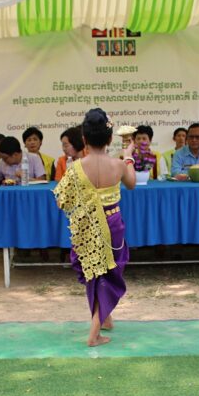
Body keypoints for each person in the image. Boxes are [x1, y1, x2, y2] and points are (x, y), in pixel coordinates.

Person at [54, 108, 136, 346]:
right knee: (108, 274)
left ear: (85, 139)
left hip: (87, 226)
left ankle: (105, 318)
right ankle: (94, 334)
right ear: (110, 139)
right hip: (112, 224)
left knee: (95, 273)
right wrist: (128, 155)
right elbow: (131, 184)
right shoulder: (118, 165)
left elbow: (62, 200)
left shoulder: (75, 168)